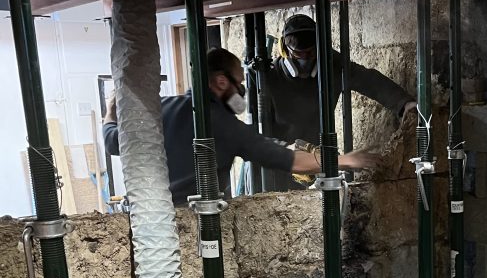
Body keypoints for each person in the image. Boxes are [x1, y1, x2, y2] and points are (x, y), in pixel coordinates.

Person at [102, 47, 378, 205]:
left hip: (154, 222)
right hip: (200, 226)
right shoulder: (224, 125)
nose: (242, 91)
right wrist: (345, 160)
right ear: (222, 82)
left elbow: (113, 142)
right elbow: (289, 160)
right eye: (239, 83)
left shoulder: (160, 108)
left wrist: (111, 111)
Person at [263, 13, 417, 148]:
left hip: (318, 155)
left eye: (310, 53)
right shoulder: (270, 77)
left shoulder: (330, 66)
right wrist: (288, 152)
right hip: (280, 159)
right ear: (284, 50)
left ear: (320, 48)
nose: (305, 60)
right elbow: (258, 136)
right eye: (298, 54)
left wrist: (402, 103)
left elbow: (367, 80)